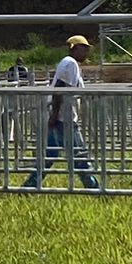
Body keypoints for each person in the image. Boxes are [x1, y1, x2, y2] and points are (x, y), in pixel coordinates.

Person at [24, 35, 99, 190]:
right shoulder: (71, 63)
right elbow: (60, 88)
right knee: (79, 155)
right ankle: (94, 189)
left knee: (50, 155)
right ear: (75, 48)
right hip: (64, 118)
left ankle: (29, 186)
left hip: (60, 116)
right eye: (84, 49)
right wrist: (55, 115)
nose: (87, 53)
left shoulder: (69, 63)